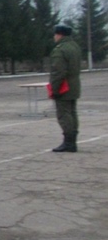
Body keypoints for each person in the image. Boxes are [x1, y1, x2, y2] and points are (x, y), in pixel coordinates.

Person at [49, 24, 81, 153]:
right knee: (72, 113)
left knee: (64, 114)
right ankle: (72, 141)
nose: (54, 37)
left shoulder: (60, 50)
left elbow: (58, 72)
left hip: (64, 86)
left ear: (59, 34)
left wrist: (54, 89)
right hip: (74, 85)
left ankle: (68, 143)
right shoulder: (75, 47)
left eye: (55, 34)